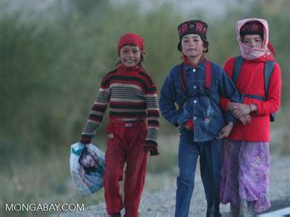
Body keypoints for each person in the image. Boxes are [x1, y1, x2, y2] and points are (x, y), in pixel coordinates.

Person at [159, 20, 241, 217]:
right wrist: (177, 119)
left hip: (214, 136)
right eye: (185, 40)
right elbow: (165, 101)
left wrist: (230, 123)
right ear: (181, 47)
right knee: (185, 178)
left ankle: (213, 212)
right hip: (188, 136)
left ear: (204, 45)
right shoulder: (175, 74)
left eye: (195, 40)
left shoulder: (215, 71)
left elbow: (234, 96)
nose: (191, 44)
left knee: (213, 178)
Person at [79, 33, 160, 217]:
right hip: (115, 134)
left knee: (134, 178)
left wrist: (152, 139)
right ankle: (114, 211)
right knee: (110, 175)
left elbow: (154, 112)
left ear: (141, 53)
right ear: (119, 53)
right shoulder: (110, 78)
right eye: (125, 51)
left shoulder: (146, 79)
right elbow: (98, 108)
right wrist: (87, 134)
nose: (129, 55)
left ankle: (131, 212)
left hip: (139, 134)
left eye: (134, 51)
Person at [220, 18, 282, 217]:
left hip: (257, 134)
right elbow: (219, 96)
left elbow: (274, 103)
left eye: (256, 39)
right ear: (240, 40)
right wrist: (233, 108)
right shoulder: (231, 64)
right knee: (234, 179)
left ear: (264, 39)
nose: (252, 45)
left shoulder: (272, 68)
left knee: (251, 183)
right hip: (233, 130)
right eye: (247, 40)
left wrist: (250, 108)